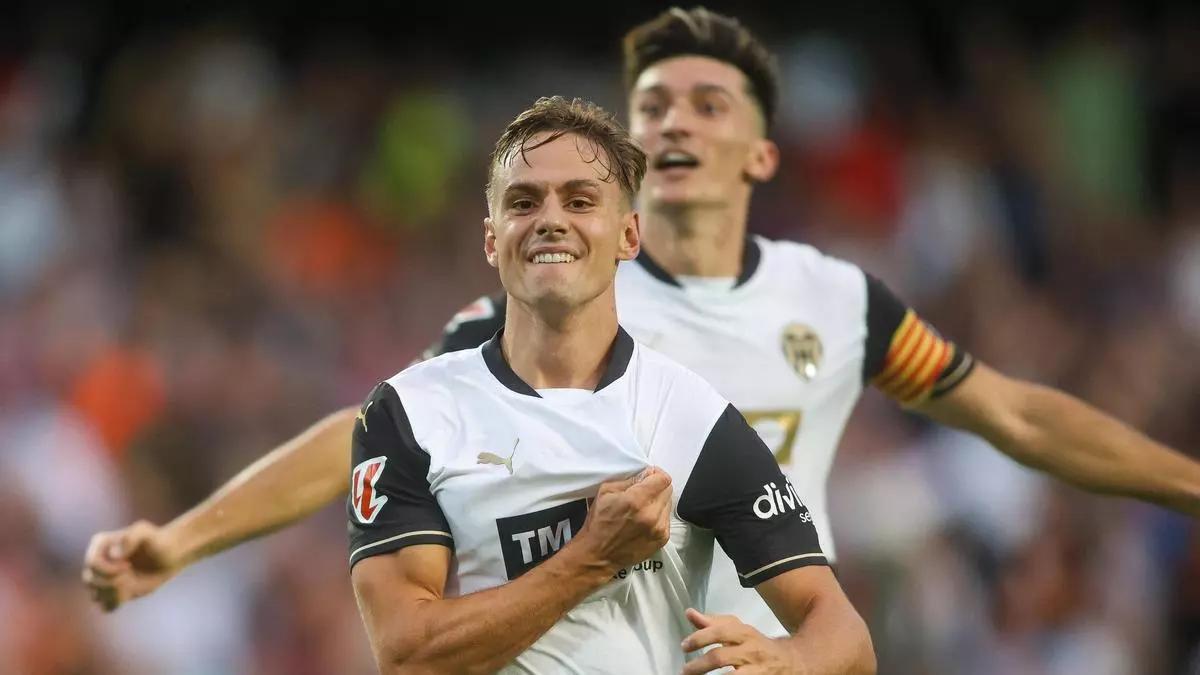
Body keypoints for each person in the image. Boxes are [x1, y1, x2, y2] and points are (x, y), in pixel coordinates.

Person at [85, 6, 1200, 642]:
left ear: (762, 154)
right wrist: (182, 539)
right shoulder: (537, 307)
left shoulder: (838, 303)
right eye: (653, 102)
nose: (672, 119)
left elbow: (1017, 417)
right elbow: (363, 436)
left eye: (706, 103)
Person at [347, 95, 874, 674]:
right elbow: (407, 656)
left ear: (628, 235)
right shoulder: (411, 412)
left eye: (580, 200)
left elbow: (843, 633)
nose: (551, 219)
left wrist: (789, 660)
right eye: (523, 202)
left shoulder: (685, 413)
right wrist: (593, 558)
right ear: (492, 239)